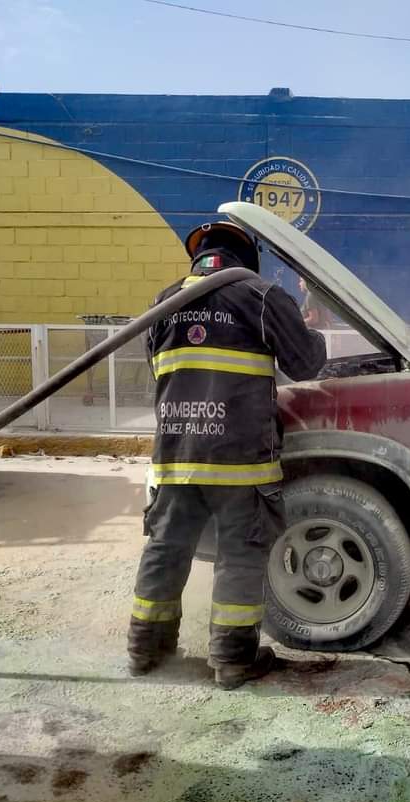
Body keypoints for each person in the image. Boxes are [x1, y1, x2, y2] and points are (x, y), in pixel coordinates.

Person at [128, 221, 327, 689]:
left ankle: (145, 650)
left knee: (166, 549)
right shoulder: (261, 296)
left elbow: (161, 373)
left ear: (197, 258)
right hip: (242, 463)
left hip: (176, 458)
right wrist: (313, 329)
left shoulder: (162, 303)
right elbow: (306, 363)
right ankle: (232, 660)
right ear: (246, 259)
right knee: (239, 556)